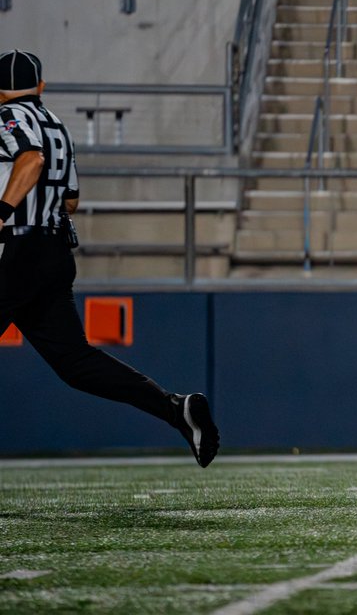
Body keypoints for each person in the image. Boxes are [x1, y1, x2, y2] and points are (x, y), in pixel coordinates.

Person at [0, 50, 219, 467]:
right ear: (41, 87)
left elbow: (31, 160)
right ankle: (176, 409)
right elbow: (72, 200)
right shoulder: (57, 124)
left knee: (76, 362)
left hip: (20, 251)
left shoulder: (8, 119)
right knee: (76, 363)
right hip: (53, 253)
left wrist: (3, 210)